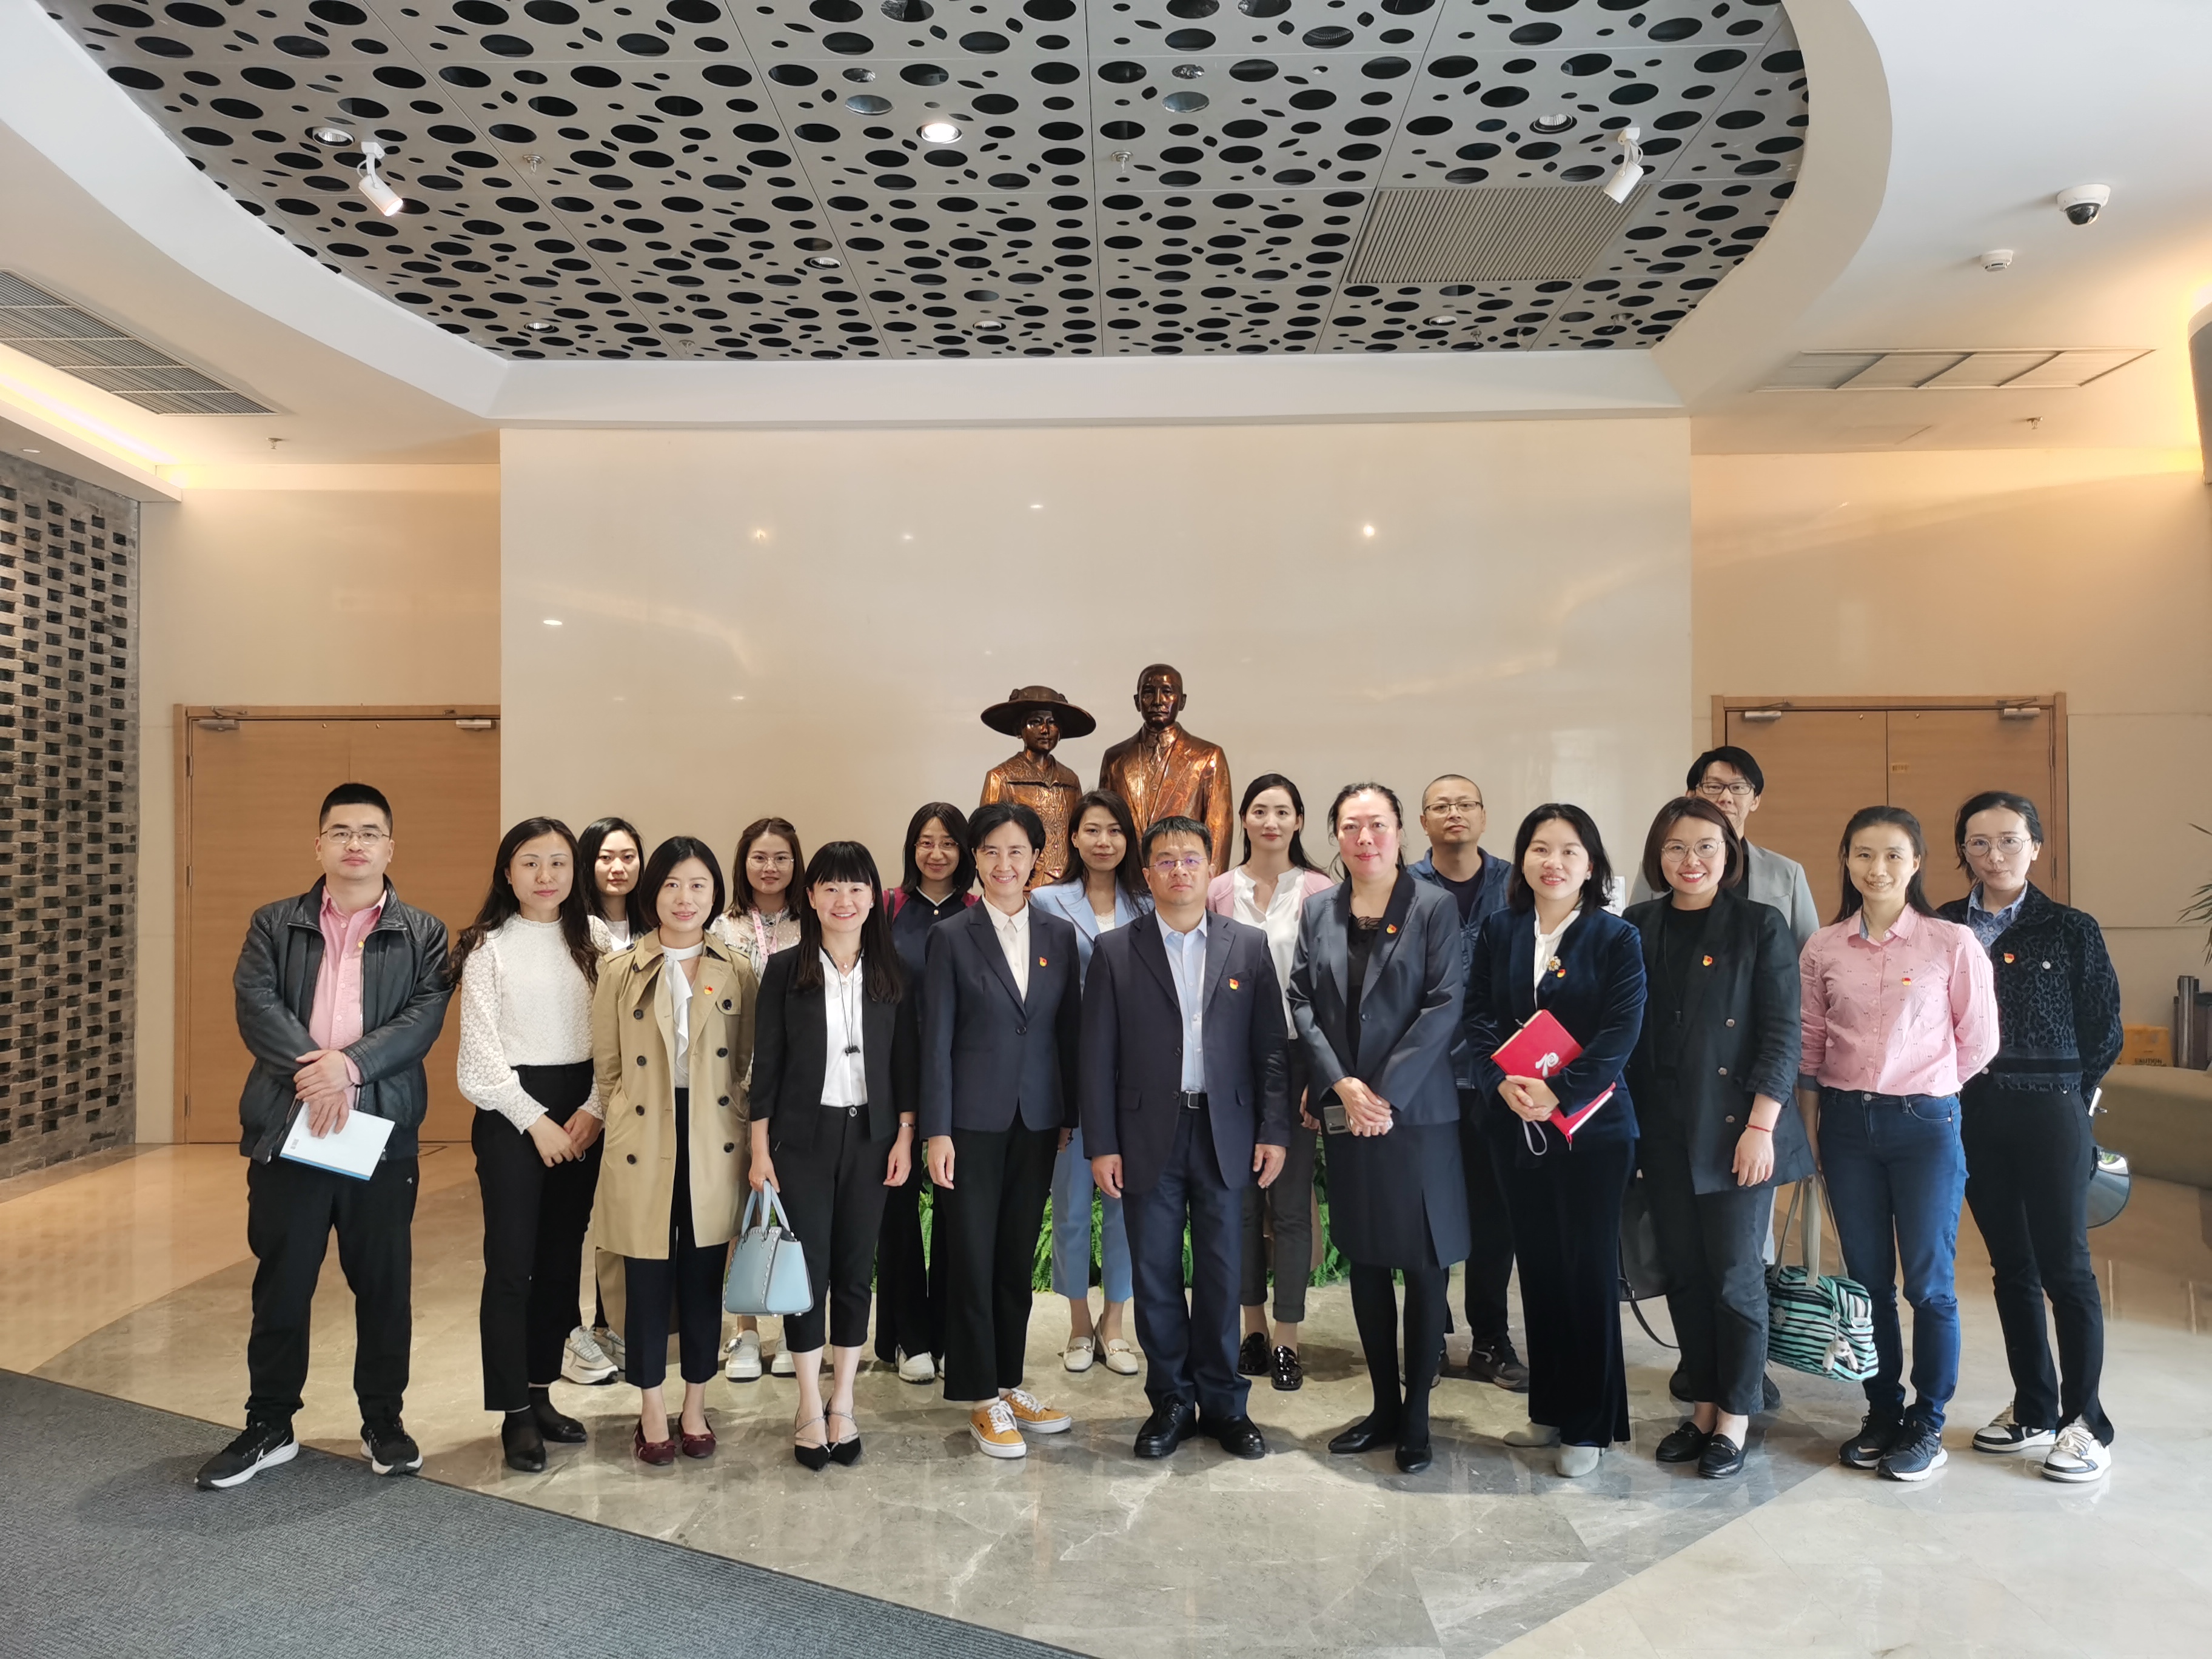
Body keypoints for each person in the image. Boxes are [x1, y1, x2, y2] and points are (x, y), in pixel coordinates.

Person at [196, 782, 453, 1491]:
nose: (355, 844)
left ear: (390, 847)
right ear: (319, 845)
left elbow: (423, 1018)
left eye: (369, 833)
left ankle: (384, 1422)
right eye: (341, 832)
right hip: (291, 1126)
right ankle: (270, 1424)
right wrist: (320, 1075)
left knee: (384, 1286)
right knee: (282, 1284)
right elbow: (256, 1004)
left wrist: (350, 1067)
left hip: (381, 1134)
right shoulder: (274, 924)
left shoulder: (424, 933)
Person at [1800, 806, 1998, 1482]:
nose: (1876, 868)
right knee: (1867, 1282)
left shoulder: (1951, 942)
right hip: (1846, 1126)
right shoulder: (1824, 948)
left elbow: (1979, 1040)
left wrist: (1928, 1084)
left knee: (1929, 1283)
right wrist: (1811, 1134)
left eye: (1892, 855)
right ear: (1846, 861)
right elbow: (1811, 1045)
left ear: (1915, 863)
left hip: (1925, 1128)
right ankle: (1882, 1410)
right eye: (1863, 854)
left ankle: (1928, 1420)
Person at [1084, 816, 1290, 1460]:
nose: (1179, 870)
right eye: (1166, 861)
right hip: (1147, 1133)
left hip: (1226, 1130)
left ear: (1210, 869)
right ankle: (1171, 1401)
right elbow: (1096, 1056)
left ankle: (1226, 1405)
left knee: (1224, 1272)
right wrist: (1102, 1142)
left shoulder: (1247, 946)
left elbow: (1270, 1049)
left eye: (1191, 859)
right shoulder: (1116, 951)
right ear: (1148, 874)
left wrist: (1273, 1129)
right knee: (1155, 1272)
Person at [1623, 798, 1809, 1480]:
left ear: (1729, 854)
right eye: (1676, 847)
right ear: (1658, 855)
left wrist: (1762, 1126)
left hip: (1736, 1131)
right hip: (1662, 1129)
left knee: (1735, 1278)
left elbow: (1782, 1034)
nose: (1691, 860)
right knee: (1684, 1273)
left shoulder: (1759, 925)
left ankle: (1735, 1416)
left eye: (1706, 846)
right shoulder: (1637, 925)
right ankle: (1702, 1406)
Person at [1939, 791, 2122, 1483]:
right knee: (2010, 1266)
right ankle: (2035, 1406)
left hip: (2051, 1114)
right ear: (1963, 851)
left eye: (2010, 840)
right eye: (1979, 842)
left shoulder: (2070, 928)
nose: (1995, 855)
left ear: (2035, 846)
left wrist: (2070, 1094)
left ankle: (2087, 1422)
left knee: (2065, 1268)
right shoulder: (1944, 925)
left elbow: (2104, 1027)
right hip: (1972, 1114)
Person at [1289, 783, 1467, 1475]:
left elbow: (1444, 1003)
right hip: (1347, 1110)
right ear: (1336, 835)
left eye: (1378, 825)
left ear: (1399, 832)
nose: (1365, 838)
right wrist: (1342, 1085)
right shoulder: (1319, 909)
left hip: (1414, 1114)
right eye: (1351, 826)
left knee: (1423, 1265)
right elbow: (1302, 999)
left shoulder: (1433, 906)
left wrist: (1381, 1094)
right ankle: (1384, 1407)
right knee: (1364, 1259)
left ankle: (1417, 1416)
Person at [1465, 804, 1646, 1478]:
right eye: (1541, 848)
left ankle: (1589, 1427)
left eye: (1570, 851)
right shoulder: (1501, 929)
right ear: (1523, 859)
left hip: (1593, 1132)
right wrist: (1502, 1084)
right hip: (1516, 1127)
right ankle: (1550, 1410)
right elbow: (1478, 1015)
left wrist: (1559, 1093)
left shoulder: (1616, 937)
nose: (1554, 862)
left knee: (1586, 1274)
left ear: (1591, 865)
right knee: (1539, 1269)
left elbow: (1621, 1033)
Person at [920, 801, 1084, 1459]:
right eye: (991, 851)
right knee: (971, 1255)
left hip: (1037, 1120)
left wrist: (1069, 1114)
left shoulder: (1058, 936)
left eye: (1017, 851)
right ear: (976, 858)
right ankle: (978, 1395)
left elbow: (1066, 1031)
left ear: (1036, 858)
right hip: (970, 1124)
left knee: (1015, 1257)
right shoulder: (951, 937)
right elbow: (935, 1041)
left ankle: (1009, 1383)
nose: (1004, 864)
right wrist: (937, 1129)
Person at [749, 842, 916, 1470]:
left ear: (874, 897)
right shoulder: (785, 970)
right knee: (806, 1274)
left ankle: (843, 1400)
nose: (844, 900)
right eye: (831, 888)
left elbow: (905, 1062)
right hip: (802, 1140)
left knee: (853, 1271)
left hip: (872, 1137)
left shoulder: (893, 971)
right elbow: (766, 1066)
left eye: (856, 888)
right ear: (812, 897)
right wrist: (760, 1151)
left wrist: (905, 1135)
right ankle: (807, 1404)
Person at [592, 837, 759, 1466]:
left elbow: (747, 1062)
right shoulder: (619, 970)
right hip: (644, 1135)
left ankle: (695, 1404)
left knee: (702, 1274)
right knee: (645, 1276)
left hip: (714, 1135)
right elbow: (608, 1069)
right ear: (651, 892)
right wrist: (624, 1118)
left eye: (697, 885)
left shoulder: (737, 968)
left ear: (715, 893)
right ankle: (651, 1408)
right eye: (670, 884)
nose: (684, 898)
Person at [452, 817, 608, 1473]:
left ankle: (542, 1393)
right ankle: (514, 1412)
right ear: (507, 873)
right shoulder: (487, 946)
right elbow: (478, 1062)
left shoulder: (597, 939)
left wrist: (594, 1108)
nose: (546, 876)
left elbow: (616, 1038)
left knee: (561, 1262)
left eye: (558, 863)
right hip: (512, 1115)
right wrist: (535, 1120)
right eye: (531, 863)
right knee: (512, 1266)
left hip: (584, 1111)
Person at [1207, 773, 1332, 1393]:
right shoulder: (1217, 890)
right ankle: (1251, 1330)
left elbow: (1331, 989)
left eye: (1283, 811)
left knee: (1289, 1204)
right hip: (1232, 1060)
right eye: (1260, 811)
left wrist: (1322, 1076)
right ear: (1245, 820)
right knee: (1239, 1201)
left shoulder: (1320, 891)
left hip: (1300, 1057)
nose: (1271, 822)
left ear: (1299, 820)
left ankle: (1287, 1338)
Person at [1407, 773, 1524, 1393]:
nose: (1454, 813)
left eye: (1465, 803)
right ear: (1423, 821)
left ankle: (1490, 1338)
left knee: (1494, 1217)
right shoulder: (1402, 886)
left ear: (1483, 815)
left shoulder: (1517, 883)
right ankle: (1427, 1337)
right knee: (1426, 1215)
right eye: (1441, 805)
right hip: (1424, 1081)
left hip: (1498, 1079)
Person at [1031, 789, 1150, 1376]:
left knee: (1127, 1202)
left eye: (1115, 831)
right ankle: (1079, 1323)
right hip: (1072, 1071)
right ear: (1073, 838)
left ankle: (1116, 1324)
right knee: (1073, 1204)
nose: (1104, 841)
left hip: (1137, 1075)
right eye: (1093, 830)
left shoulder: (1149, 903)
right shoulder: (1046, 902)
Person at [875, 802, 977, 1385]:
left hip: (957, 1078)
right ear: (912, 847)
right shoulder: (887, 907)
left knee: (955, 1206)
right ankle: (907, 1335)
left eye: (949, 843)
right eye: (925, 841)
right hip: (892, 1074)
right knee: (896, 1206)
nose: (937, 853)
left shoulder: (976, 911)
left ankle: (947, 1335)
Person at [714, 814, 805, 1379]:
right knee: (739, 1208)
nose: (770, 868)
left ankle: (796, 1330)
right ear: (743, 863)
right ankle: (743, 1330)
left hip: (797, 1087)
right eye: (759, 857)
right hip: (731, 1085)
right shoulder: (720, 928)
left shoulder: (813, 922)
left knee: (798, 1207)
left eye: (781, 858)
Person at [567, 814, 649, 1387]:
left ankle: (611, 1323)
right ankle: (570, 1331)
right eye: (604, 857)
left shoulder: (654, 927)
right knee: (576, 1215)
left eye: (627, 856)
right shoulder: (572, 928)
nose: (617, 868)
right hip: (583, 1089)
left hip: (639, 1095)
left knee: (626, 1215)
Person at [1630, 746, 1820, 949]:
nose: (1726, 797)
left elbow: (1810, 954)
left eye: (1738, 787)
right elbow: (1633, 941)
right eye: (1713, 787)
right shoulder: (1662, 864)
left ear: (1755, 800)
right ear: (1691, 795)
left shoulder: (1787, 872)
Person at [1096, 663, 1235, 876]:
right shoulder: (1115, 759)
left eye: (1168, 692)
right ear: (1137, 701)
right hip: (1127, 881)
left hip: (1183, 879)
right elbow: (1104, 823)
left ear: (1182, 701)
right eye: (1148, 693)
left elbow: (1219, 830)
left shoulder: (1207, 757)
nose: (1158, 701)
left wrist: (1210, 886)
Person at [977, 685, 1094, 885]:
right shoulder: (1002, 777)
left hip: (1069, 884)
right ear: (1019, 730)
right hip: (1023, 885)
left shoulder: (1070, 779)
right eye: (1035, 722)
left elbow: (1080, 831)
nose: (1045, 730)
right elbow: (987, 840)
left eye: (1052, 722)